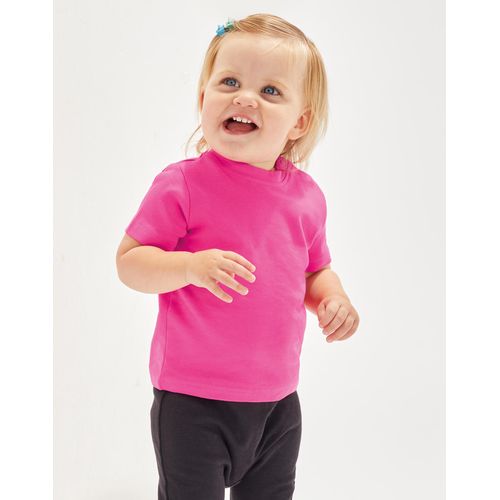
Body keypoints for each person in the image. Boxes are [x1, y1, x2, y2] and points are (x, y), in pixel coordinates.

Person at [116, 13, 360, 500]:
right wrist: (189, 267)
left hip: (277, 401)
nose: (245, 98)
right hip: (192, 399)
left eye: (270, 91)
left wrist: (333, 300)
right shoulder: (183, 185)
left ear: (300, 122)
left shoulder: (306, 197)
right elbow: (130, 262)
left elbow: (315, 270)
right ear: (203, 97)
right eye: (229, 82)